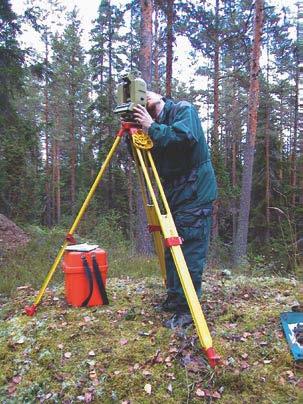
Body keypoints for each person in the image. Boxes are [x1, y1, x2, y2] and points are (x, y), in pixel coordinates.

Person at [133, 92, 217, 329]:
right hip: (175, 197)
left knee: (189, 252)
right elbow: (143, 161)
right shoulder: (153, 128)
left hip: (195, 195)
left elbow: (184, 138)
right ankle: (175, 297)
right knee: (172, 248)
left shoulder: (183, 110)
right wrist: (136, 134)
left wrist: (152, 127)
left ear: (159, 99)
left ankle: (188, 309)